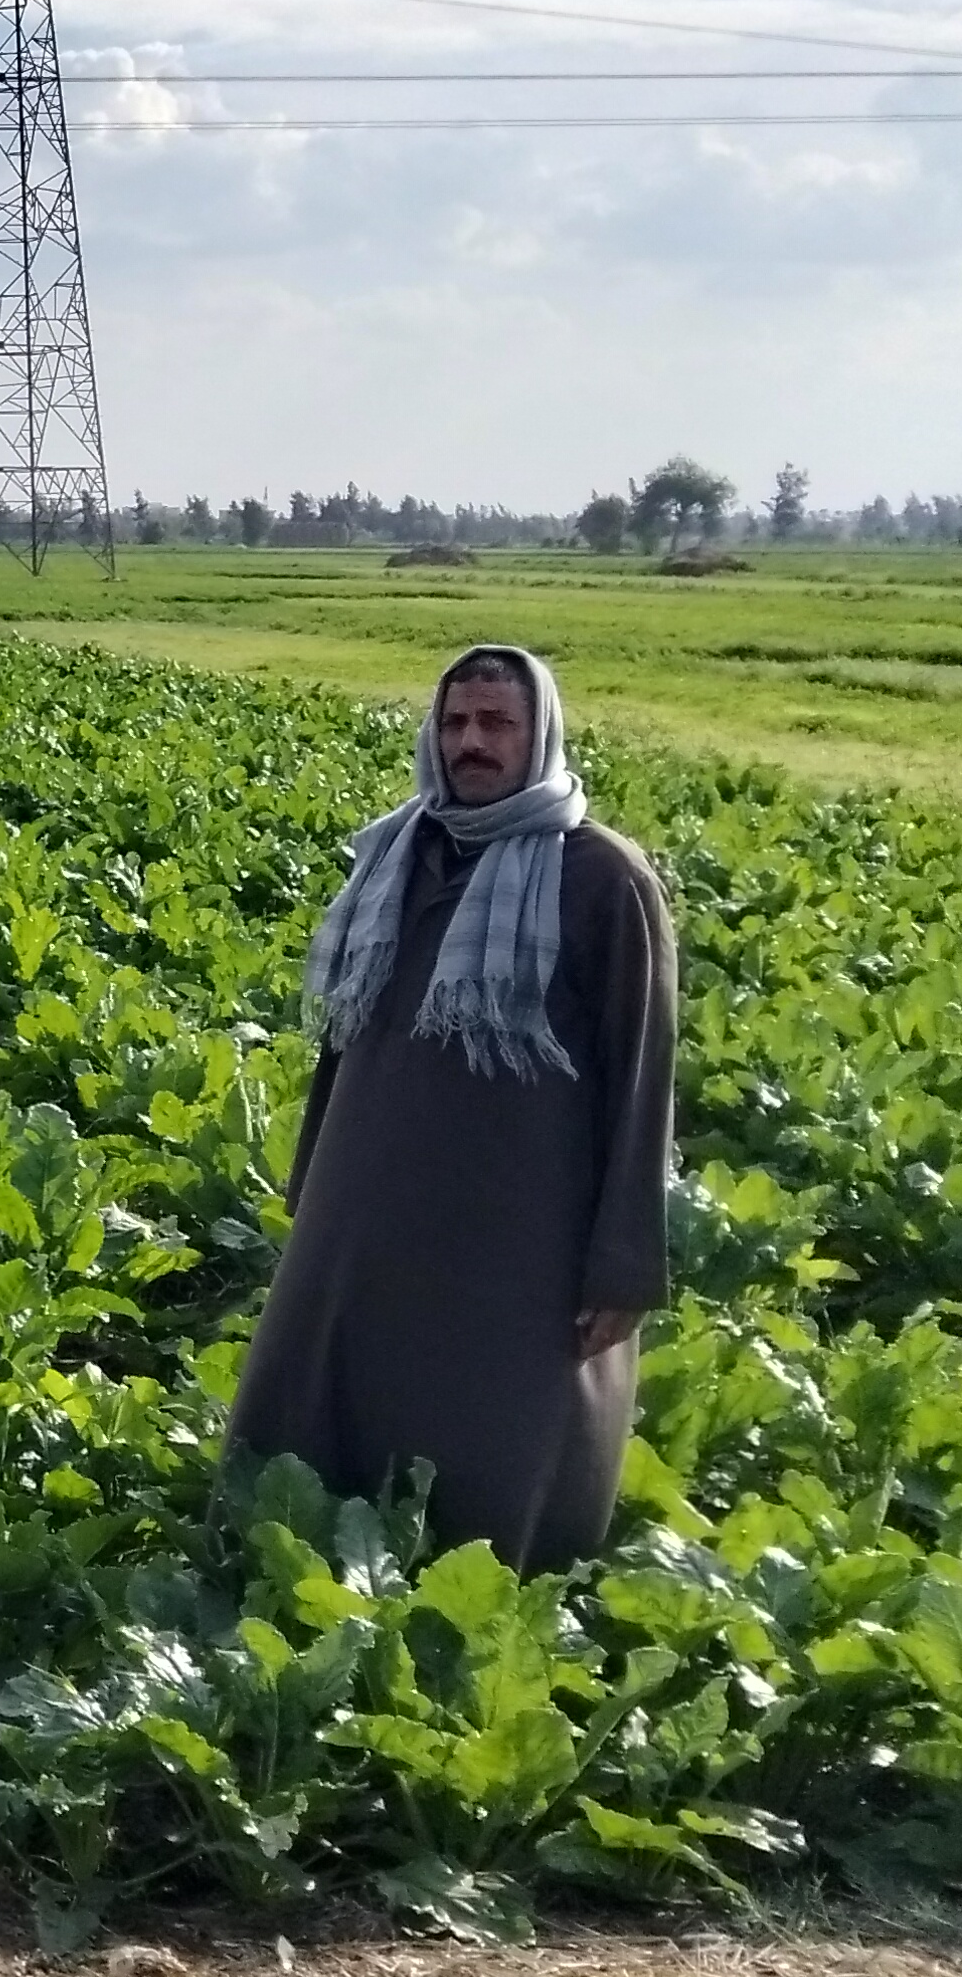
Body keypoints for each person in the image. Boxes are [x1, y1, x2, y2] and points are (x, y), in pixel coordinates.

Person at [227, 647, 677, 1571]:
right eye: (457, 723)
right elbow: (345, 1035)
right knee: (315, 1412)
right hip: (367, 1198)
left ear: (538, 733)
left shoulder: (602, 878)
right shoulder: (398, 851)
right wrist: (313, 1179)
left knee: (489, 1435)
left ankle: (475, 1612)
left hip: (516, 1224)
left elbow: (642, 1077)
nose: (472, 744)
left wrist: (623, 1263)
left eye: (497, 724)